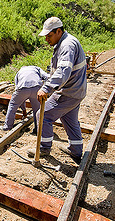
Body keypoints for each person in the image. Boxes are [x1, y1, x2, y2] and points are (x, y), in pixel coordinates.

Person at [27, 17, 87, 165]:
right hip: (76, 91)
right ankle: (76, 150)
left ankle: (44, 148)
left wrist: (46, 88)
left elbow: (63, 70)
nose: (46, 39)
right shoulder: (65, 42)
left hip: (68, 92)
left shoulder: (67, 45)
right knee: (70, 120)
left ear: (58, 31)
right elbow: (60, 71)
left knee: (43, 114)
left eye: (49, 35)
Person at [1, 66, 49, 133]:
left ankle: (7, 127)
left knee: (13, 105)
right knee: (37, 110)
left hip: (22, 88)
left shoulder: (19, 72)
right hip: (36, 88)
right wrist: (45, 89)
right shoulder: (37, 68)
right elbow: (47, 77)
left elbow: (18, 92)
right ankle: (38, 129)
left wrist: (24, 110)